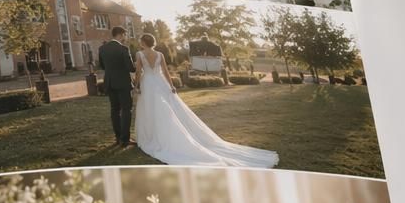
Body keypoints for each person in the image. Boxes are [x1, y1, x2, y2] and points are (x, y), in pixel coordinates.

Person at [133, 32, 279, 168]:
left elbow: (139, 71)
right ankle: (161, 134)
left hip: (148, 83)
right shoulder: (160, 54)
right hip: (160, 83)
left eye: (140, 41)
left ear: (144, 42)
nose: (139, 42)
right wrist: (171, 86)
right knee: (166, 110)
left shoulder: (140, 54)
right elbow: (165, 72)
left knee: (150, 109)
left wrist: (136, 84)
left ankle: (154, 136)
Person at [97, 25, 137, 147]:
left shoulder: (102, 48)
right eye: (124, 35)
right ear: (120, 34)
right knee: (126, 110)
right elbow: (131, 68)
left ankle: (118, 137)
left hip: (109, 82)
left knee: (114, 110)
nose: (125, 37)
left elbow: (102, 66)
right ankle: (125, 139)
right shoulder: (123, 49)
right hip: (123, 83)